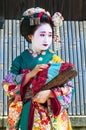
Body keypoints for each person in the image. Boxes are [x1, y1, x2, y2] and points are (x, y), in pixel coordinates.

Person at [2, 7, 74, 130]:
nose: (47, 39)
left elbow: (68, 87)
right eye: (42, 34)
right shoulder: (20, 60)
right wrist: (29, 75)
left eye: (50, 35)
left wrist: (50, 93)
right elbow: (8, 84)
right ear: (30, 36)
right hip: (27, 110)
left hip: (49, 115)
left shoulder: (56, 60)